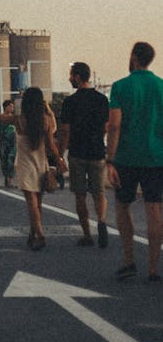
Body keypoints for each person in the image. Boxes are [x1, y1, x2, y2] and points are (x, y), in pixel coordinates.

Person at [106, 42, 163, 283]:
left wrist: (110, 160)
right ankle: (153, 268)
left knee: (123, 205)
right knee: (154, 209)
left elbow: (115, 124)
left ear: (134, 57)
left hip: (126, 157)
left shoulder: (120, 86)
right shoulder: (161, 86)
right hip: (156, 157)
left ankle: (129, 260)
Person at [0, 87, 66, 249]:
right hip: (41, 164)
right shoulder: (46, 120)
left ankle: (40, 235)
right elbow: (51, 145)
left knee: (31, 203)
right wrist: (59, 160)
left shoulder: (19, 120)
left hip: (26, 165)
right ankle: (32, 233)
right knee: (38, 202)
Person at [58, 61, 109, 248]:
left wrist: (60, 155)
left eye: (71, 75)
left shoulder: (70, 102)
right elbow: (106, 126)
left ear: (78, 77)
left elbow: (65, 131)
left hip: (77, 153)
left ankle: (87, 234)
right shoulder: (102, 100)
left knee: (80, 195)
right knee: (99, 193)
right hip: (97, 152)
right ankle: (102, 220)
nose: (69, 78)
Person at [0, 99, 17, 188]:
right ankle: (6, 177)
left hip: (13, 142)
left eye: (13, 106)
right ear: (5, 107)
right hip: (4, 142)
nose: (12, 108)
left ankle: (10, 180)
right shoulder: (0, 117)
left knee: (11, 160)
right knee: (4, 160)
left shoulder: (14, 118)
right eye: (10, 106)